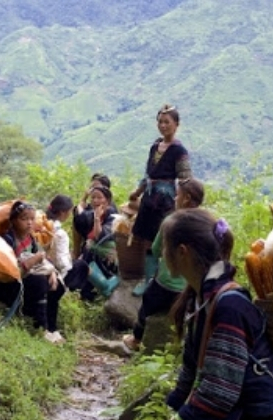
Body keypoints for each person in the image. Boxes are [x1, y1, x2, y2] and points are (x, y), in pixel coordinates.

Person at [132, 209, 273, 420]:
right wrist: (174, 416)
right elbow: (191, 371)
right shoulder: (200, 298)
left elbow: (220, 392)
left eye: (165, 247)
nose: (162, 255)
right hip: (225, 414)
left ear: (182, 252)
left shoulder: (229, 306)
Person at [123, 178, 204, 352]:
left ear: (186, 198)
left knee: (147, 303)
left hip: (166, 284)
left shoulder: (171, 222)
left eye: (177, 196)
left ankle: (136, 338)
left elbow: (156, 248)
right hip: (191, 287)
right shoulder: (206, 223)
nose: (175, 199)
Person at [129, 104, 192, 297]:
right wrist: (137, 192)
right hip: (149, 199)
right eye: (160, 122)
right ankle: (147, 280)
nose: (163, 125)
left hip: (165, 202)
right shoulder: (155, 146)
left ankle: (161, 280)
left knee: (162, 240)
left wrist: (183, 204)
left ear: (176, 125)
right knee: (147, 240)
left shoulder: (179, 150)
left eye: (167, 122)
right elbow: (148, 174)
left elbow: (185, 179)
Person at [0, 201, 65, 344]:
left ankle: (52, 327)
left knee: (56, 284)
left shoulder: (31, 239)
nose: (29, 223)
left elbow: (44, 261)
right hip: (9, 284)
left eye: (32, 219)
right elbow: (11, 270)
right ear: (14, 221)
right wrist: (36, 259)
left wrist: (51, 272)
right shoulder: (7, 240)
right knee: (39, 282)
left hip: (27, 279)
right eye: (24, 219)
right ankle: (41, 327)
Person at [73, 185, 119, 300]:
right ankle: (84, 289)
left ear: (107, 201)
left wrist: (97, 219)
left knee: (88, 249)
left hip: (108, 255)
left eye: (99, 198)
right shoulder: (92, 212)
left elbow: (100, 236)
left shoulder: (112, 215)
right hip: (93, 251)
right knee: (87, 250)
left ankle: (92, 289)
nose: (95, 200)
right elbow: (79, 218)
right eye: (93, 198)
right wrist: (84, 198)